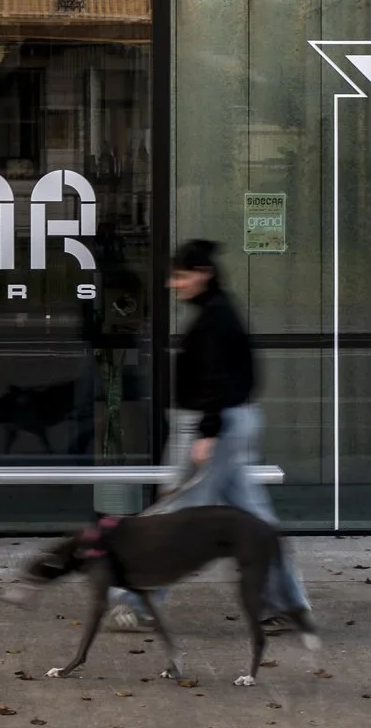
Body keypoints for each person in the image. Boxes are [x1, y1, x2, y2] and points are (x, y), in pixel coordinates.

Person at [108, 238, 312, 632]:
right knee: (256, 520)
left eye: (181, 276)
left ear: (203, 274)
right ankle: (286, 604)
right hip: (231, 424)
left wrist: (207, 432)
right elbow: (244, 375)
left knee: (175, 517)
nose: (174, 284)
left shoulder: (215, 319)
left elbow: (218, 379)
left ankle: (135, 601)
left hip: (210, 427)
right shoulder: (219, 312)